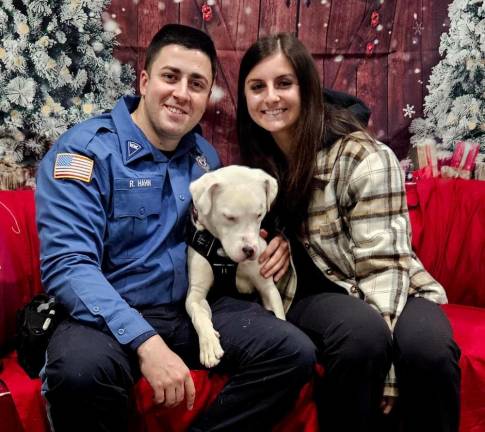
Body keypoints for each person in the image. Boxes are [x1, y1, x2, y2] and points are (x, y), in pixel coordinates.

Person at [35, 24, 316, 432]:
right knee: (78, 372)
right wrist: (144, 340)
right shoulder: (85, 152)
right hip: (108, 315)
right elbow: (68, 265)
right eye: (171, 77)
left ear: (207, 97)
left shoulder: (204, 158)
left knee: (293, 352)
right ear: (145, 80)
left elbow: (228, 230)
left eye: (197, 83)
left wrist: (272, 244)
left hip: (190, 306)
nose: (182, 93)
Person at [236, 33, 461, 432]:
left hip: (390, 284)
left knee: (428, 350)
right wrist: (280, 238)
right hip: (313, 294)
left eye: (284, 83)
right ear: (245, 97)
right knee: (359, 336)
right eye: (257, 86)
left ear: (308, 87)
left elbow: (382, 267)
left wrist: (389, 372)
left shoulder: (362, 156)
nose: (270, 97)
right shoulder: (258, 158)